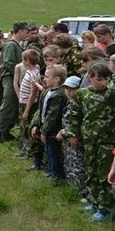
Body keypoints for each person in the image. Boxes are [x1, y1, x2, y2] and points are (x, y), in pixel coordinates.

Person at [67, 62, 115, 222]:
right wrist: (73, 134)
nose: (103, 82)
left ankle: (105, 208)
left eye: (106, 79)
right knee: (91, 171)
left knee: (104, 174)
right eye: (99, 79)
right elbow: (75, 115)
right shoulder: (82, 95)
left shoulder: (111, 93)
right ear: (90, 78)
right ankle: (94, 202)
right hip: (88, 140)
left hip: (107, 141)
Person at [0, 22, 27, 144]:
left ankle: (5, 132)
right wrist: (21, 73)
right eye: (25, 31)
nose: (26, 34)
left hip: (15, 78)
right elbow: (9, 63)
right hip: (11, 78)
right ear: (20, 31)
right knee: (8, 105)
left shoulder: (16, 45)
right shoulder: (12, 45)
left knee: (13, 107)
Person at [31, 64, 67, 180]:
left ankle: (57, 175)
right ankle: (51, 170)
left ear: (57, 79)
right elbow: (40, 109)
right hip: (44, 127)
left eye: (47, 76)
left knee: (54, 152)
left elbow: (53, 116)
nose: (44, 79)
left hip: (53, 130)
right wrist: (37, 124)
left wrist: (44, 131)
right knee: (48, 150)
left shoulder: (60, 95)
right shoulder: (46, 92)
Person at [57, 76, 87, 199]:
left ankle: (82, 192)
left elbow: (77, 123)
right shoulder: (69, 102)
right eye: (66, 88)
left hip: (76, 139)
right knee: (70, 163)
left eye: (72, 89)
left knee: (78, 165)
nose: (69, 91)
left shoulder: (80, 103)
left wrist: (64, 132)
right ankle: (73, 189)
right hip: (68, 140)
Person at [17, 49, 41, 162]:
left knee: (27, 127)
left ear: (27, 61)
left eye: (23, 59)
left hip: (28, 104)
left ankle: (28, 151)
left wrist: (26, 111)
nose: (22, 61)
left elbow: (32, 95)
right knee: (23, 126)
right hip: (23, 102)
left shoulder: (33, 75)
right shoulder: (34, 69)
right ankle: (24, 147)